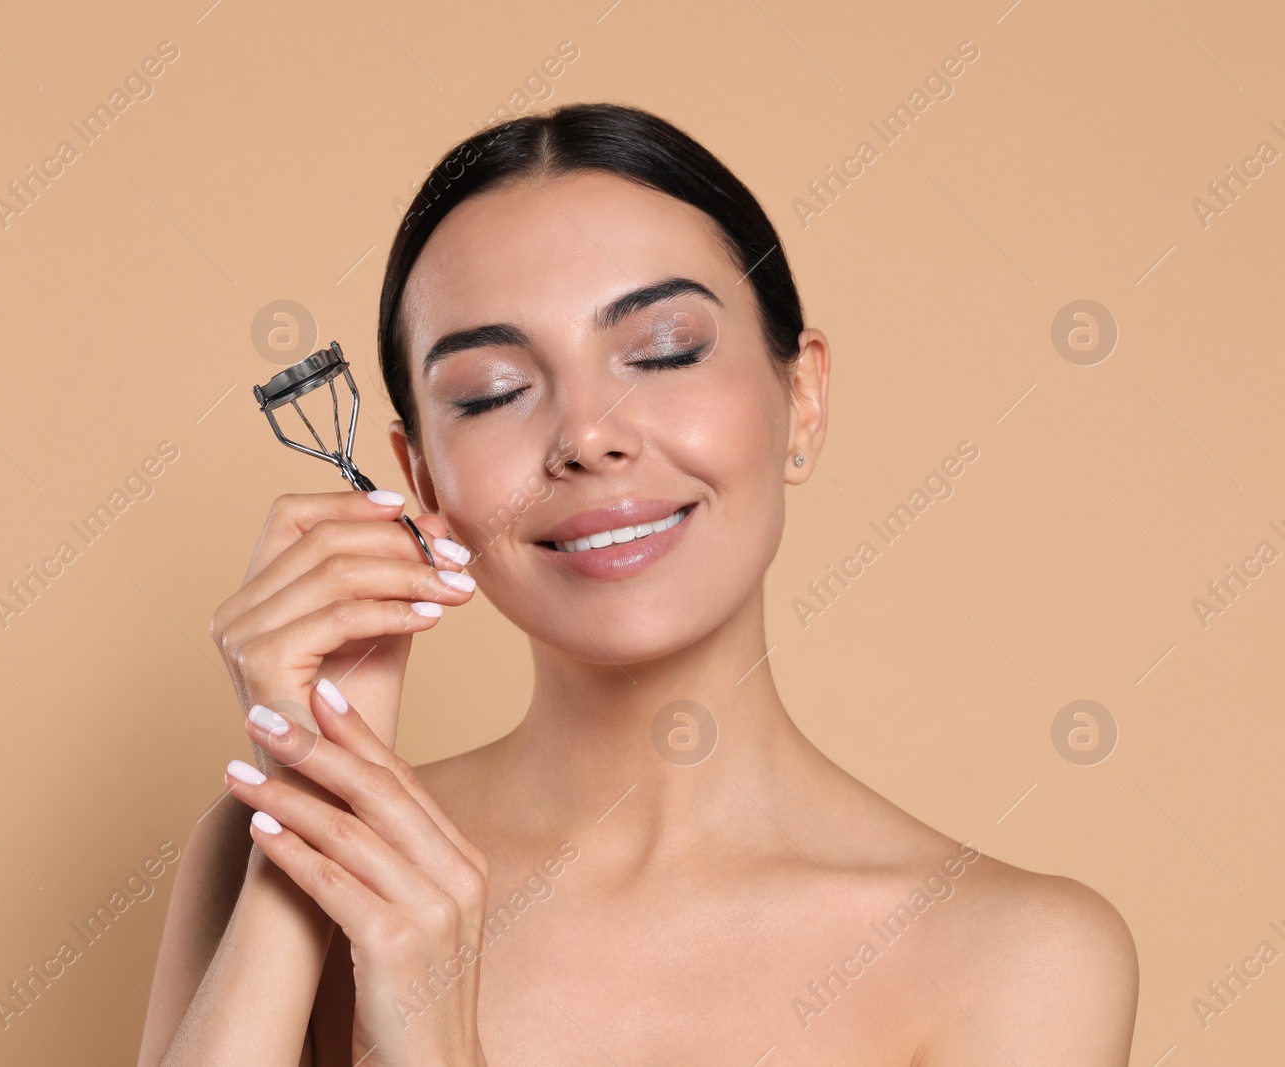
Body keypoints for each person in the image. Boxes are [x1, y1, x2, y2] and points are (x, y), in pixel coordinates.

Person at [138, 102, 1138, 1066]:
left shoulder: (1020, 955)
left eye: (663, 352)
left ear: (802, 399)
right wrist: (317, 771)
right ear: (422, 478)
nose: (585, 435)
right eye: (492, 393)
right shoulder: (278, 841)